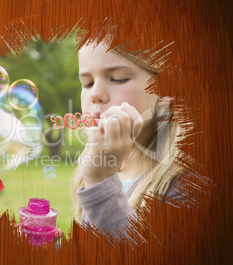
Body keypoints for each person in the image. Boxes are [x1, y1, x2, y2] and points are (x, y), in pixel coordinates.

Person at [54, 39, 188, 240]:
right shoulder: (94, 167)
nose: (95, 95)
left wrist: (100, 183)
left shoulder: (184, 186)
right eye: (87, 83)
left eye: (118, 78)